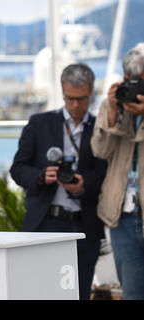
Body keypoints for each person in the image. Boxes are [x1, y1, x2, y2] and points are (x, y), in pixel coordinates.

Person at [10, 63, 107, 300]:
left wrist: (83, 184)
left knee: (80, 293)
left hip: (84, 226)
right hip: (45, 223)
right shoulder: (39, 123)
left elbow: (105, 176)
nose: (76, 105)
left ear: (91, 92)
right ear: (63, 93)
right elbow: (18, 169)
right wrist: (42, 176)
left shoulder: (100, 129)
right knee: (39, 292)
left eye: (82, 99)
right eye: (70, 98)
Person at [91, 43, 144, 300]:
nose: (133, 88)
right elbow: (100, 151)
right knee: (133, 292)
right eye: (129, 82)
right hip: (122, 215)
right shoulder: (113, 104)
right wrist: (113, 112)